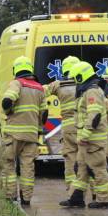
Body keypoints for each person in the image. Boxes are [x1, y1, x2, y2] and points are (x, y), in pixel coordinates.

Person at [0, 56, 47, 206]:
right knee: (28, 167)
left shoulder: (17, 83)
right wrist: (39, 130)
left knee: (8, 163)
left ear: (16, 70)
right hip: (31, 134)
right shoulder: (39, 88)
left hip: (14, 133)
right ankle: (26, 198)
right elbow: (44, 113)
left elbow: (8, 100)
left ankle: (10, 195)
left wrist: (8, 110)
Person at [70, 61, 108, 208]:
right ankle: (77, 197)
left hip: (92, 139)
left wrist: (85, 134)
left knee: (97, 168)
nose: (75, 80)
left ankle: (106, 200)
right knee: (81, 167)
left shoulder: (92, 91)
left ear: (82, 76)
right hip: (87, 139)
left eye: (76, 77)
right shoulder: (87, 90)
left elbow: (94, 115)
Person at [45, 56, 80, 200]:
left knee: (70, 158)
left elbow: (42, 91)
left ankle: (73, 193)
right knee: (87, 159)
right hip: (84, 126)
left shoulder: (59, 85)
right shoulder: (86, 84)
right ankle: (96, 193)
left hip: (68, 127)